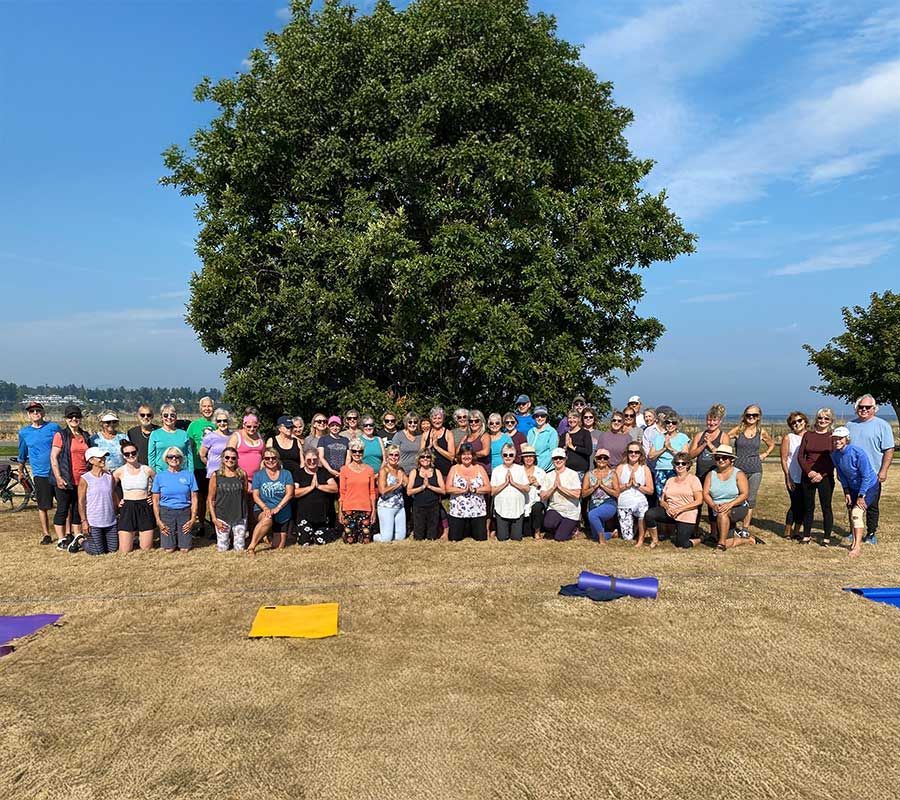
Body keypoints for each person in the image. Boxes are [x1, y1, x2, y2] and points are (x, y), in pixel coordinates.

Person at [845, 394, 895, 545]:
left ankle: (871, 533)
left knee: (871, 505)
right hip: (853, 474)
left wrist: (883, 470)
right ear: (856, 409)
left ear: (874, 409)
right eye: (861, 407)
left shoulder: (882, 425)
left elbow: (889, 449)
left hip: (872, 474)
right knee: (852, 504)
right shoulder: (849, 425)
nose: (864, 410)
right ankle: (853, 530)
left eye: (868, 407)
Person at [831, 426, 879, 558]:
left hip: (869, 486)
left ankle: (857, 547)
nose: (837, 441)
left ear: (847, 439)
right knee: (852, 513)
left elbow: (866, 476)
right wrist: (846, 491)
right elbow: (841, 474)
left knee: (857, 512)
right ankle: (854, 542)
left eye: (840, 439)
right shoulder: (834, 455)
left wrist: (861, 495)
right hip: (852, 487)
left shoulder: (858, 453)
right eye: (835, 439)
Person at [726, 405, 775, 533]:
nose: (751, 417)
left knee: (750, 499)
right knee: (735, 497)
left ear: (759, 417)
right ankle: (731, 525)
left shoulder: (761, 432)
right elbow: (724, 438)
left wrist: (765, 454)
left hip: (755, 469)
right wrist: (728, 453)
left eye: (755, 415)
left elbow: (771, 444)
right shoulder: (738, 430)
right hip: (738, 469)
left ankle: (745, 528)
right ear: (744, 416)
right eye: (749, 415)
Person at [17, 401, 60, 544]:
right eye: (32, 411)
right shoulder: (24, 432)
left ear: (43, 413)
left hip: (56, 472)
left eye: (37, 410)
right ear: (28, 415)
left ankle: (66, 532)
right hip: (40, 474)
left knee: (63, 503)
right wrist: (20, 470)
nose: (35, 413)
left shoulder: (53, 428)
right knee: (43, 506)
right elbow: (22, 453)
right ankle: (46, 534)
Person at [703, 445, 759, 551]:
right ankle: (746, 540)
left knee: (723, 513)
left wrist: (730, 504)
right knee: (729, 541)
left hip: (737, 507)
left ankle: (721, 544)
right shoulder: (710, 474)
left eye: (724, 457)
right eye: (717, 458)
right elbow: (705, 494)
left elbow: (744, 494)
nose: (720, 460)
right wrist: (713, 505)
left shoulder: (739, 474)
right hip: (718, 508)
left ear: (731, 460)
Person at [50, 404, 90, 552]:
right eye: (70, 416)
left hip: (81, 479)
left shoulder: (85, 435)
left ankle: (77, 535)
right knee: (62, 508)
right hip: (65, 478)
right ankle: (61, 539)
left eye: (77, 416)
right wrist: (58, 477)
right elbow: (54, 458)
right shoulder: (60, 435)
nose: (74, 419)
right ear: (66, 419)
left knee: (77, 509)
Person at [643, 454, 703, 549]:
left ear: (688, 465)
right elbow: (662, 500)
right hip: (670, 512)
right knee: (649, 514)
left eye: (683, 463)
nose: (680, 465)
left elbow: (699, 500)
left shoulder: (694, 480)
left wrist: (680, 509)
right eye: (677, 463)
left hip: (686, 513)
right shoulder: (670, 480)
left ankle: (700, 539)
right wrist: (667, 508)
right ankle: (655, 540)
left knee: (682, 544)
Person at [798, 407, 835, 546]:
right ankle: (806, 535)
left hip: (825, 476)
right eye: (820, 418)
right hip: (808, 475)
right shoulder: (808, 435)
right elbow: (801, 456)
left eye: (826, 418)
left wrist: (821, 474)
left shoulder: (833, 437)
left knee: (826, 507)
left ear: (831, 421)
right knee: (808, 507)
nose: (823, 420)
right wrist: (809, 472)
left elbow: (834, 458)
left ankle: (826, 538)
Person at [151, 446, 198, 553]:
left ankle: (184, 540)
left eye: (177, 456)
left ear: (181, 459)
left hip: (184, 511)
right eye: (170, 456)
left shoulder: (189, 475)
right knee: (169, 549)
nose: (174, 459)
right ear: (166, 459)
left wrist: (193, 519)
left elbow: (194, 498)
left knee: (185, 549)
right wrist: (158, 520)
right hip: (166, 511)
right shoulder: (159, 476)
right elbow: (155, 500)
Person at [247, 448, 295, 553]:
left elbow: (289, 493)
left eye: (273, 458)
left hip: (282, 510)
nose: (270, 460)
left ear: (278, 459)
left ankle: (269, 534)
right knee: (267, 519)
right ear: (263, 460)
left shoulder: (286, 474)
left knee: (278, 547)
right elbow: (255, 495)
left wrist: (278, 507)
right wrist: (265, 508)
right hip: (263, 508)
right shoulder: (258, 475)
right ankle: (251, 546)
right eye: (267, 458)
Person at [113, 442, 155, 552]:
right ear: (123, 456)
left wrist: (153, 497)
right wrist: (117, 501)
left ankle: (138, 538)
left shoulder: (147, 470)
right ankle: (133, 537)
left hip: (144, 506)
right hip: (128, 507)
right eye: (127, 454)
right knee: (125, 550)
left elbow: (159, 485)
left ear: (138, 453)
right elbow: (109, 488)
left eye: (133, 453)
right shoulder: (119, 471)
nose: (131, 456)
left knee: (146, 548)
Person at [78, 448, 120, 555]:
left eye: (103, 457)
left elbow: (113, 494)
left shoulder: (109, 476)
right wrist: (84, 521)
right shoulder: (85, 478)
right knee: (97, 552)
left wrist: (118, 505)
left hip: (110, 520)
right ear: (91, 461)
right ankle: (81, 541)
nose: (103, 459)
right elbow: (81, 502)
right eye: (99, 457)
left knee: (112, 550)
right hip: (94, 521)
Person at [292, 449, 339, 547]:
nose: (312, 462)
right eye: (309, 460)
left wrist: (319, 486)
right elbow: (294, 493)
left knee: (320, 541)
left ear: (318, 460)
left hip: (323, 516)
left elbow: (335, 488)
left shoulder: (324, 472)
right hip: (304, 516)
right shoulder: (298, 473)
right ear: (304, 460)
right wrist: (310, 488)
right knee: (305, 542)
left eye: (315, 459)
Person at [446, 443, 490, 541]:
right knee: (454, 539)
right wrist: (462, 490)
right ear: (460, 456)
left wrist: (475, 490)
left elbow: (488, 488)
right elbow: (448, 488)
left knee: (480, 539)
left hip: (477, 511)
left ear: (473, 455)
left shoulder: (480, 468)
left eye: (469, 454)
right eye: (464, 454)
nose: (466, 456)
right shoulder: (454, 468)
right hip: (458, 511)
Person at [207, 446, 248, 551]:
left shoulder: (242, 475)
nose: (230, 460)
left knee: (239, 549)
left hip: (239, 515)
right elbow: (211, 499)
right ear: (222, 458)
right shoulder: (216, 475)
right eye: (227, 457)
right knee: (222, 549)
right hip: (222, 515)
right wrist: (214, 519)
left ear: (237, 459)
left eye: (233, 458)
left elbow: (245, 495)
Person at [540, 448, 582, 541]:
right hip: (555, 508)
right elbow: (543, 496)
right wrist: (553, 488)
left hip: (571, 511)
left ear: (565, 459)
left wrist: (561, 488)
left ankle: (572, 528)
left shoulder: (573, 474)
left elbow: (577, 494)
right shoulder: (548, 476)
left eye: (560, 458)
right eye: (555, 458)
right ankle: (562, 527)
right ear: (552, 460)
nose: (558, 460)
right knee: (548, 524)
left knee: (559, 538)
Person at [338, 440, 376, 544]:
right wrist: (341, 511)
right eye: (354, 451)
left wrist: (373, 511)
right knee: (350, 541)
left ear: (363, 453)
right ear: (350, 452)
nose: (357, 454)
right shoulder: (344, 470)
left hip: (365, 508)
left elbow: (372, 492)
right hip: (349, 508)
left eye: (360, 451)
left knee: (366, 541)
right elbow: (342, 492)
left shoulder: (370, 470)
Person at [186, 396, 216, 528]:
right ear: (200, 409)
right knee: (200, 498)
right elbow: (188, 446)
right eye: (204, 406)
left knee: (214, 497)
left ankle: (216, 524)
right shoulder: (194, 426)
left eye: (209, 406)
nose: (207, 409)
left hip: (215, 468)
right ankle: (202, 524)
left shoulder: (218, 424)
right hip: (198, 467)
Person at [614, 444, 653, 542]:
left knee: (643, 512)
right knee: (628, 538)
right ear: (627, 453)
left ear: (641, 454)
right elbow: (615, 489)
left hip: (640, 502)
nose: (633, 454)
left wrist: (637, 486)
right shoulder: (620, 468)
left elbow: (650, 490)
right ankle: (634, 527)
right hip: (624, 503)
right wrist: (627, 485)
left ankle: (640, 529)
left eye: (636, 452)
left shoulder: (644, 468)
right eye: (631, 452)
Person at [490, 444, 529, 541]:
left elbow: (527, 488)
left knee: (516, 538)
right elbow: (492, 492)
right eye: (505, 455)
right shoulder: (496, 470)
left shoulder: (520, 469)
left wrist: (514, 483)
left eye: (511, 455)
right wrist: (505, 484)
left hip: (517, 508)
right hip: (501, 508)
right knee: (502, 538)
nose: (508, 457)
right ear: (501, 455)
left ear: (515, 456)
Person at [780, 412, 808, 541]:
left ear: (805, 421)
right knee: (795, 503)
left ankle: (797, 530)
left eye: (799, 420)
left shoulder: (810, 437)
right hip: (794, 476)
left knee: (805, 504)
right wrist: (788, 476)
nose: (797, 423)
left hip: (807, 477)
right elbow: (784, 459)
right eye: (793, 422)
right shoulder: (788, 438)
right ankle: (788, 530)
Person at [648, 413, 691, 496]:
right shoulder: (658, 437)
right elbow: (651, 456)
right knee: (661, 495)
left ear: (677, 425)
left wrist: (670, 448)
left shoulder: (682, 437)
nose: (670, 425)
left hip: (676, 469)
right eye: (668, 422)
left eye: (673, 423)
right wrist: (664, 448)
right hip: (660, 470)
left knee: (675, 495)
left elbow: (685, 457)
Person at [407, 449, 445, 540]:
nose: (425, 459)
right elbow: (409, 492)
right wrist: (422, 487)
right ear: (418, 459)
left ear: (431, 459)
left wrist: (429, 486)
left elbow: (443, 491)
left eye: (428, 457)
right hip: (419, 507)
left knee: (432, 537)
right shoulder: (414, 472)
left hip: (433, 507)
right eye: (422, 457)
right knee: (419, 537)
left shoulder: (437, 472)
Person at [583, 448, 619, 543]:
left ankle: (602, 539)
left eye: (605, 458)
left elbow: (617, 493)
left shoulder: (612, 474)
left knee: (592, 514)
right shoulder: (589, 474)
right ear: (595, 459)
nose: (602, 460)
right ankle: (611, 534)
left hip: (608, 504)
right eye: (599, 458)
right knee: (595, 536)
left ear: (608, 460)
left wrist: (603, 486)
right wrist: (594, 487)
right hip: (594, 504)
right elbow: (583, 494)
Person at [148, 404, 194, 475]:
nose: (169, 418)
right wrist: (153, 475)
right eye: (166, 415)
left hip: (182, 473)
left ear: (176, 417)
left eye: (172, 415)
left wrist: (190, 474)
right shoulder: (155, 434)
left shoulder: (184, 434)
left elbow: (189, 456)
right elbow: (151, 457)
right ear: (161, 417)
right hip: (161, 473)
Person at [689, 404, 729, 484]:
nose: (711, 423)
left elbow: (725, 456)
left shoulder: (724, 436)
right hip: (700, 474)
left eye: (714, 420)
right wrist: (704, 444)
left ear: (720, 421)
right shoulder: (699, 435)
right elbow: (690, 455)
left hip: (716, 475)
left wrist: (710, 444)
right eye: (709, 420)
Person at [375, 444, 407, 542]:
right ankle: (372, 535)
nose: (394, 457)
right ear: (387, 456)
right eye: (391, 455)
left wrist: (403, 479)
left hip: (399, 506)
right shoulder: (384, 470)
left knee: (400, 538)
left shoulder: (400, 469)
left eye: (396, 455)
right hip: (386, 506)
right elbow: (382, 490)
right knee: (386, 539)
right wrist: (397, 485)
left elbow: (407, 484)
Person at [227, 414, 265, 488]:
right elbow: (228, 457)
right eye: (249, 426)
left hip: (257, 479)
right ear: (244, 425)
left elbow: (264, 455)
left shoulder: (259, 436)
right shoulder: (237, 436)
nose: (252, 429)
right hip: (239, 478)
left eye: (255, 426)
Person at [520, 444, 548, 538]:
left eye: (531, 456)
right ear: (522, 458)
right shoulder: (518, 471)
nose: (528, 459)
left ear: (534, 458)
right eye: (526, 456)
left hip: (536, 502)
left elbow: (545, 491)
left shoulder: (541, 472)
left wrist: (538, 485)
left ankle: (537, 531)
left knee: (537, 506)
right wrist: (527, 483)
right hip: (522, 503)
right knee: (526, 533)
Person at [423, 406, 456, 476]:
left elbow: (452, 457)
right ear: (431, 419)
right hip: (429, 473)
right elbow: (420, 455)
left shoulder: (448, 434)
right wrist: (430, 446)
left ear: (443, 419)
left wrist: (437, 447)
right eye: (434, 418)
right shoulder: (426, 434)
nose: (437, 421)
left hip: (445, 472)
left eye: (439, 418)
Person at [199, 409, 232, 478]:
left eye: (225, 421)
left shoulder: (233, 436)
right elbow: (202, 455)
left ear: (228, 422)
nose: (222, 423)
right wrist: (210, 464)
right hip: (213, 474)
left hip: (229, 473)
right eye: (219, 421)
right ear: (216, 422)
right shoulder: (210, 436)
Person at [561, 410, 591, 478]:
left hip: (580, 471)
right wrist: (565, 446)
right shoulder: (564, 435)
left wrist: (573, 447)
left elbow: (588, 451)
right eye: (569, 418)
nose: (572, 420)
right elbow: (560, 452)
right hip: (566, 470)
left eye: (574, 418)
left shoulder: (585, 433)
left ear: (579, 419)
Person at [527, 406, 558, 471]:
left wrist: (539, 469)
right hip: (531, 468)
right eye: (537, 416)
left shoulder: (552, 432)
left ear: (546, 417)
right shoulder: (530, 432)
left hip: (546, 470)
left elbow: (553, 453)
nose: (540, 418)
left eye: (542, 416)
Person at [462, 410, 492, 475]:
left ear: (481, 422)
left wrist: (468, 455)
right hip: (467, 471)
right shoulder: (466, 437)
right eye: (471, 421)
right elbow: (458, 453)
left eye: (476, 421)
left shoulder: (485, 436)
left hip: (482, 472)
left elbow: (485, 452)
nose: (473, 423)